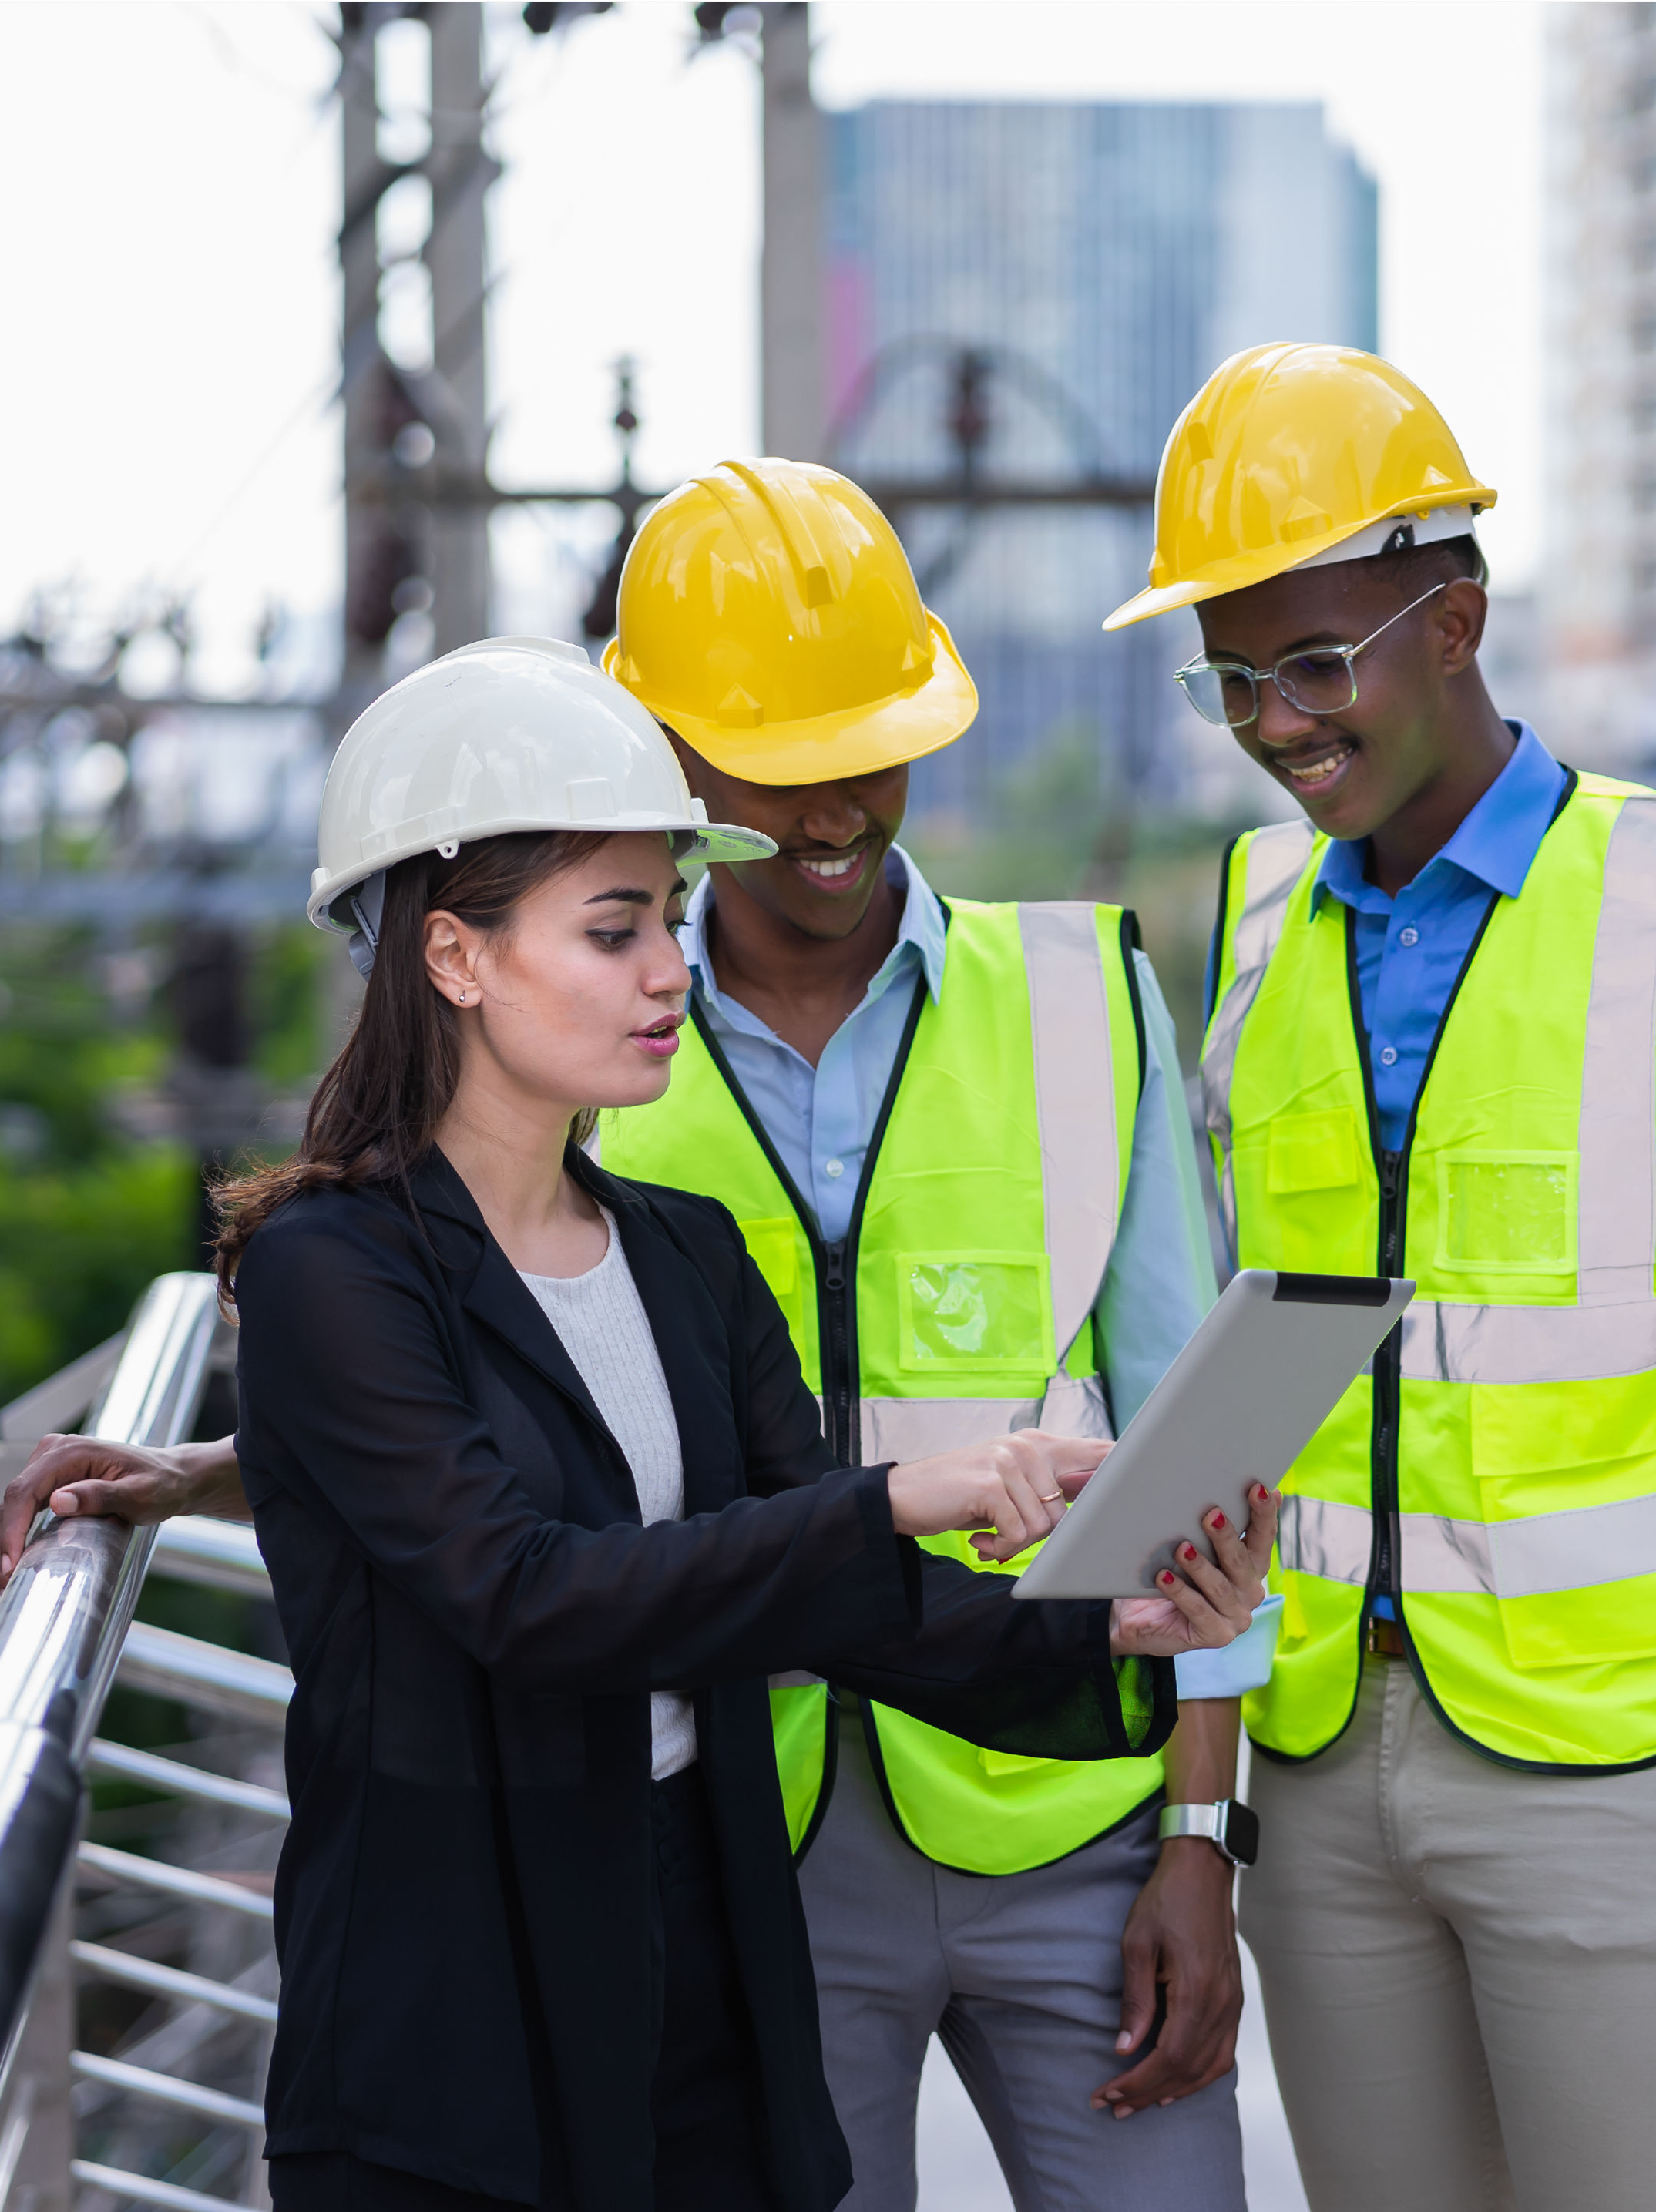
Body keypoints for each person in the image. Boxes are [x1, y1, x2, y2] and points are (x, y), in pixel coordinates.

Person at [0, 635, 1271, 2212]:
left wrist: (1128, 1623)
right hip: (454, 2008)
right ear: (455, 955)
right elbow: (525, 1590)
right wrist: (902, 1496)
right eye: (615, 930)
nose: (672, 966)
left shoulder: (679, 1253)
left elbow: (841, 1605)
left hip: (704, 1964)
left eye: (666, 920)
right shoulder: (334, 1266)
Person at [1100, 344, 1656, 2212]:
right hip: (1330, 1766)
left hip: (1631, 1771)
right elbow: (1266, 1352)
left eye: (1318, 662)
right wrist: (1214, 1790)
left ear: (1459, 619)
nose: (1276, 721)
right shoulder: (1256, 922)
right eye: (1234, 676)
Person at [596, 459, 1269, 2206]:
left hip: (1082, 1820)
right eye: (784, 764)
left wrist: (1202, 1838)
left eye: (873, 747)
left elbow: (1204, 1450)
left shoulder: (1085, 993)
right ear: (666, 760)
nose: (839, 808)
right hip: (752, 1838)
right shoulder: (584, 1043)